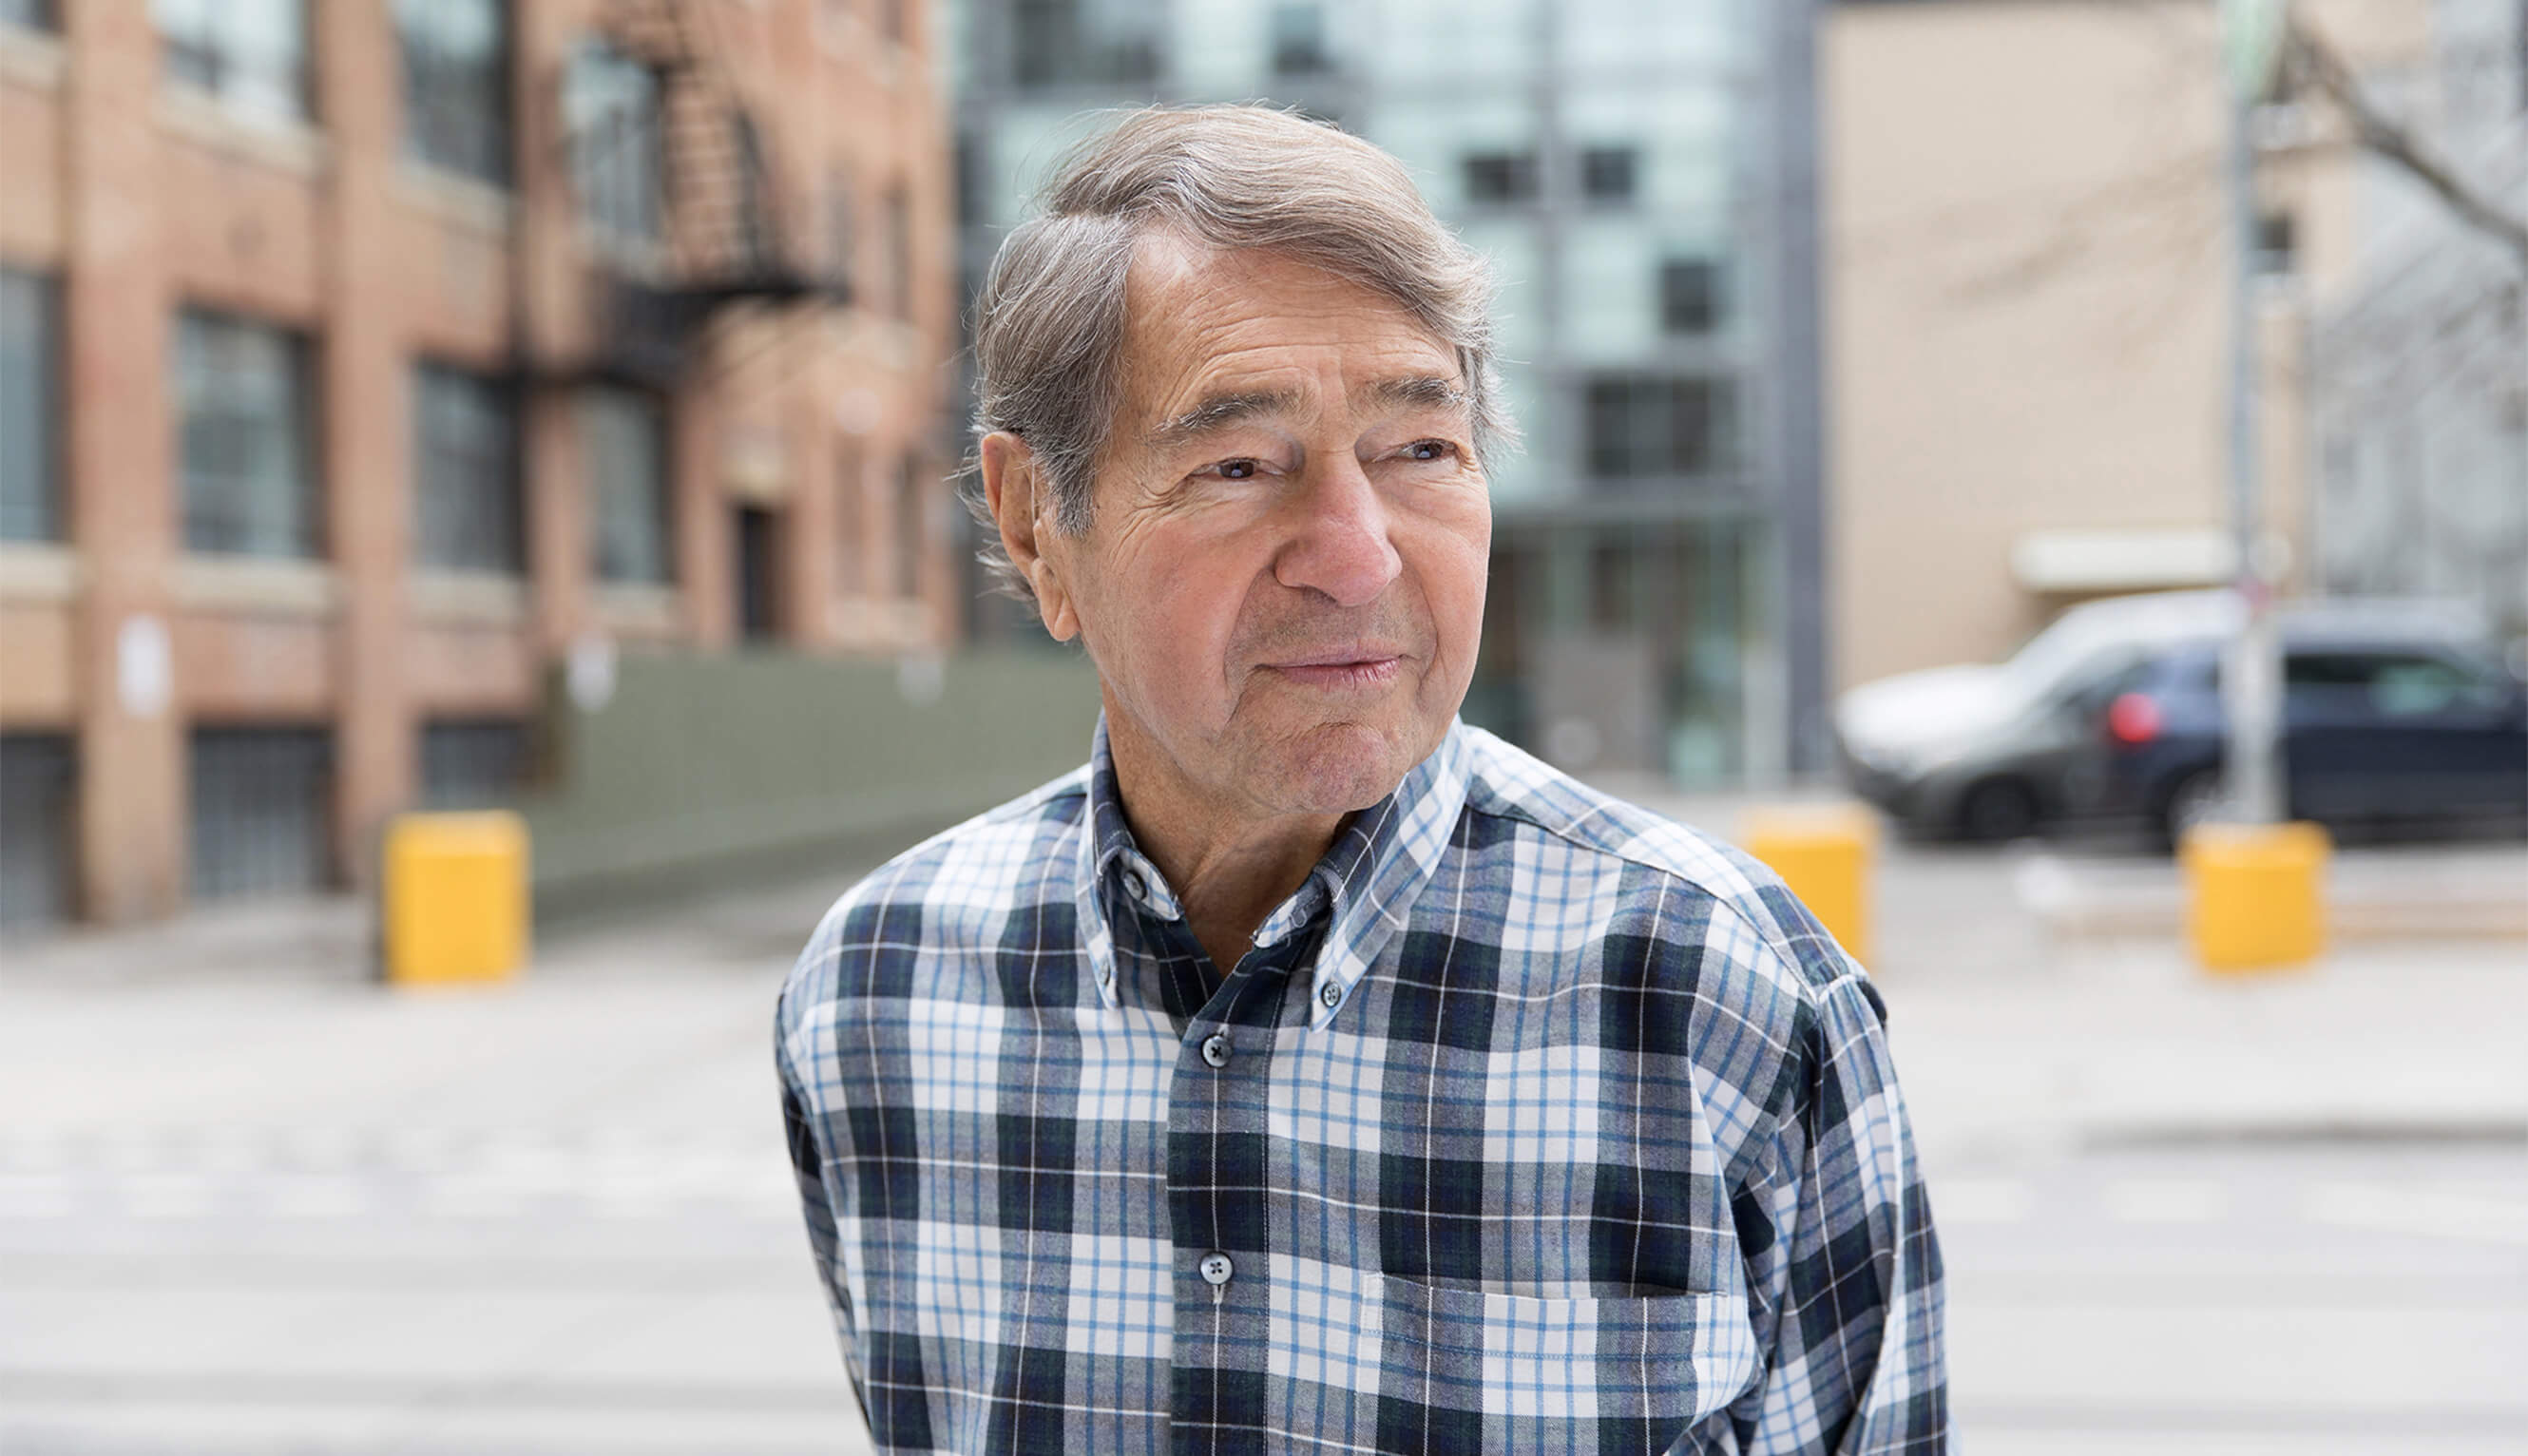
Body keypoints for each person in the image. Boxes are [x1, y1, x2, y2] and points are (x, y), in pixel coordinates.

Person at [776, 105, 1946, 1455]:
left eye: (1421, 452)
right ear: (1039, 524)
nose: (1357, 555)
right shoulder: (875, 992)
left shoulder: (1721, 996)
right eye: (1238, 463)